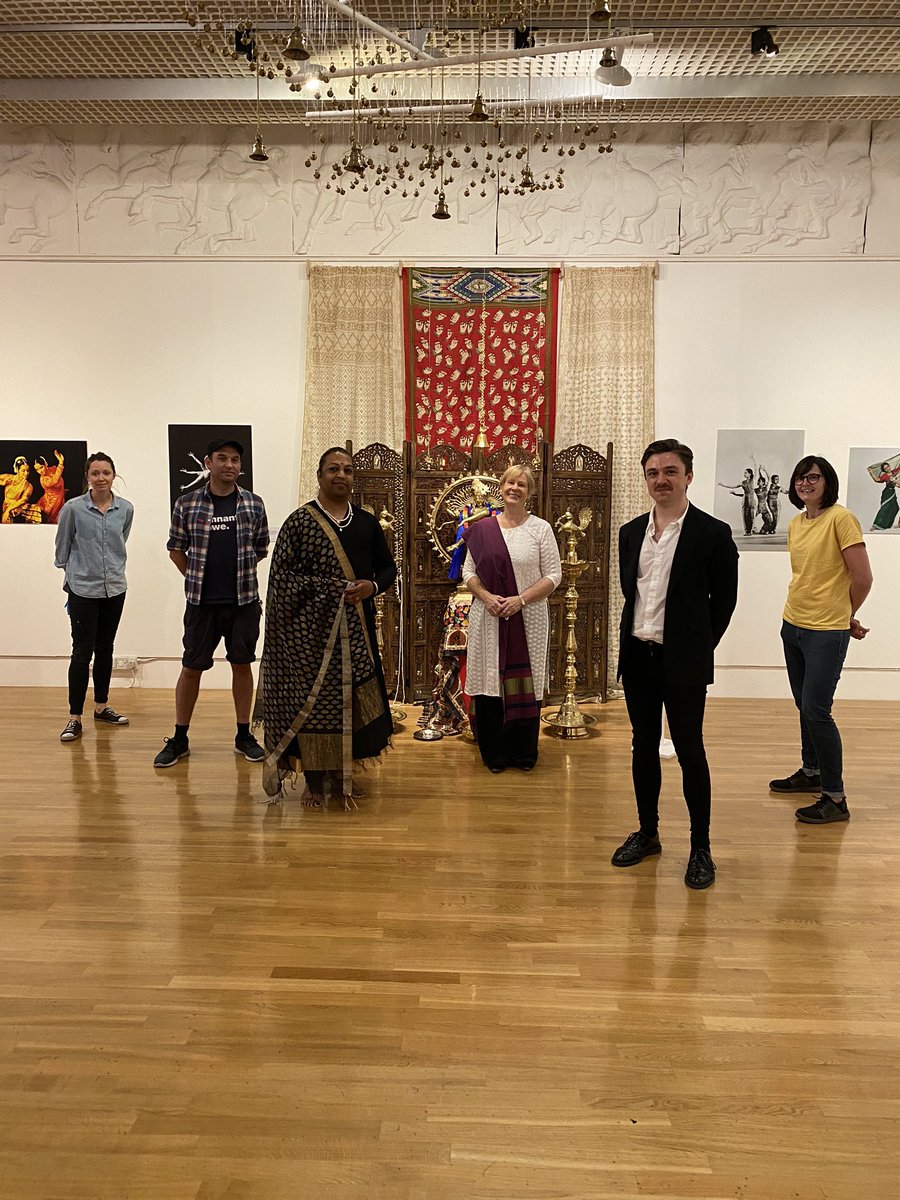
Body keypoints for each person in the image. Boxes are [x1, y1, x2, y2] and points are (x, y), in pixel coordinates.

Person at [612, 438, 739, 889]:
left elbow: (723, 604)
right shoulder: (630, 533)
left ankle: (701, 847)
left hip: (683, 661)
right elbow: (634, 595)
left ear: (688, 476)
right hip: (639, 656)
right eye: (652, 472)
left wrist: (695, 648)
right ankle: (648, 833)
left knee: (689, 751)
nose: (661, 480)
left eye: (670, 471)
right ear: (645, 479)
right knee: (642, 746)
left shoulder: (713, 533)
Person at [259, 447, 396, 809]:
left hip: (357, 634)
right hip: (310, 638)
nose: (341, 475)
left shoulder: (366, 523)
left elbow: (387, 570)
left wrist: (371, 587)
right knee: (315, 704)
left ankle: (342, 773)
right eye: (333, 469)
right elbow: (283, 580)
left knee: (351, 701)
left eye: (348, 470)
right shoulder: (300, 522)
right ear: (319, 476)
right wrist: (333, 590)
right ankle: (314, 780)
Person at [769, 455, 873, 823]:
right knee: (804, 706)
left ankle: (835, 797)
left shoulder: (841, 519)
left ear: (827, 481)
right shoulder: (797, 523)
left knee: (817, 710)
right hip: (792, 624)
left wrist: (845, 617)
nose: (805, 484)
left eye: (813, 477)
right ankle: (811, 772)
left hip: (826, 631)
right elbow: (810, 575)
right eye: (800, 478)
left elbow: (862, 576)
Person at [154, 438, 269, 767]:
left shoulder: (253, 504)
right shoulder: (187, 504)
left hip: (244, 602)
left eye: (235, 459)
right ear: (208, 462)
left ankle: (244, 735)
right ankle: (179, 738)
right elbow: (176, 548)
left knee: (242, 665)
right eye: (223, 458)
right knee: (191, 669)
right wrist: (196, 576)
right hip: (201, 604)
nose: (229, 464)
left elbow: (260, 547)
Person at [462, 465, 562, 773]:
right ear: (501, 488)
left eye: (522, 484)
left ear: (529, 492)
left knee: (524, 681)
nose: (514, 488)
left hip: (528, 615)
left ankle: (523, 752)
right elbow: (469, 573)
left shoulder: (540, 529)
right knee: (490, 680)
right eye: (510, 482)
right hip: (489, 615)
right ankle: (494, 753)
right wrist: (487, 597)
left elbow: (554, 575)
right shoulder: (482, 529)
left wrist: (521, 599)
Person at [54, 452, 134, 742]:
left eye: (106, 473)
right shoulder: (73, 508)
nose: (101, 478)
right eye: (95, 473)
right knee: (81, 651)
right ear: (87, 476)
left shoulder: (125, 509)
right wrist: (77, 574)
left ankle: (101, 707)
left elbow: (120, 540)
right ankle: (74, 717)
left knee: (106, 648)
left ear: (114, 475)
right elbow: (62, 549)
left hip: (114, 587)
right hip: (82, 590)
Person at [718, 466, 755, 536]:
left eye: (746, 473)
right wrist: (723, 485)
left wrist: (754, 460)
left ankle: (751, 530)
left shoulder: (753, 481)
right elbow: (733, 486)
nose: (744, 474)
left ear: (750, 474)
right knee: (745, 515)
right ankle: (747, 531)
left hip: (752, 499)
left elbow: (756, 469)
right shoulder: (743, 482)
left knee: (751, 515)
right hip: (745, 499)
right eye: (744, 473)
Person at [35, 450, 66, 523]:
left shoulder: (52, 469)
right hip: (51, 503)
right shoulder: (43, 480)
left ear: (45, 464)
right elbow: (55, 480)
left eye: (41, 467)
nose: (40, 471)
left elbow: (59, 479)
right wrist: (61, 463)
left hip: (60, 498)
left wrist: (62, 490)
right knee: (50, 520)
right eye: (37, 469)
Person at [870, 460, 900, 532]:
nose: (887, 468)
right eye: (885, 468)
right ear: (884, 470)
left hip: (892, 492)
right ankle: (875, 525)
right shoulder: (885, 476)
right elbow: (877, 479)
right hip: (887, 493)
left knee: (895, 508)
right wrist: (871, 472)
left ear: (890, 466)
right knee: (884, 509)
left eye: (888, 466)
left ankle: (887, 524)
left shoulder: (894, 471)